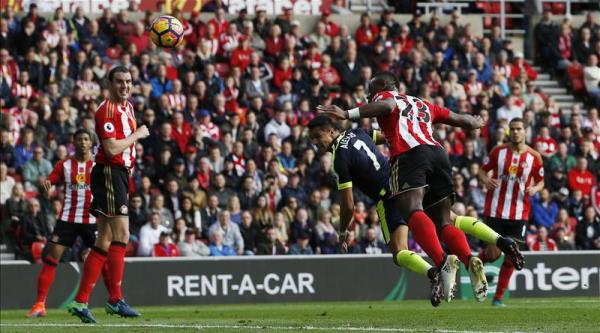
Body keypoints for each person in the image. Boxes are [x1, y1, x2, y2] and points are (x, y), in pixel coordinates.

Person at [308, 115, 523, 305]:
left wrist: (344, 230)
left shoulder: (338, 158)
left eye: (318, 137)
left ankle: (434, 272)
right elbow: (389, 138)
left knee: (398, 251)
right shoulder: (358, 132)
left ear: (332, 131)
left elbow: (348, 204)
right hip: (404, 179)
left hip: (387, 198)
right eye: (313, 140)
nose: (316, 143)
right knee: (449, 219)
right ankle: (497, 242)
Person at [67, 66, 149, 323]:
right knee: (121, 235)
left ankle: (80, 302)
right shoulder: (106, 111)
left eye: (128, 81)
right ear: (110, 84)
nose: (125, 86)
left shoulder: (128, 107)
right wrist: (138, 134)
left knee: (104, 239)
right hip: (110, 173)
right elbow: (112, 148)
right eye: (120, 82)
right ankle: (115, 298)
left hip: (119, 175)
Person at [28, 129, 110, 318]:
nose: (82, 142)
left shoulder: (98, 164)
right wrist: (46, 185)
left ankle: (114, 299)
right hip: (67, 220)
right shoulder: (64, 165)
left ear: (91, 143)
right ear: (74, 143)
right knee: (51, 259)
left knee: (103, 261)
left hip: (91, 220)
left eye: (86, 139)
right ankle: (40, 304)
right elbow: (51, 180)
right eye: (79, 139)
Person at [479, 117, 545, 307]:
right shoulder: (497, 152)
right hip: (494, 211)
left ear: (525, 131)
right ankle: (473, 264)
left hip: (518, 214)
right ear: (509, 132)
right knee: (492, 255)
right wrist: (485, 180)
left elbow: (541, 181)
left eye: (519, 129)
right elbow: (482, 171)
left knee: (510, 256)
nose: (515, 132)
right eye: (512, 129)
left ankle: (498, 298)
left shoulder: (534, 156)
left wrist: (535, 189)